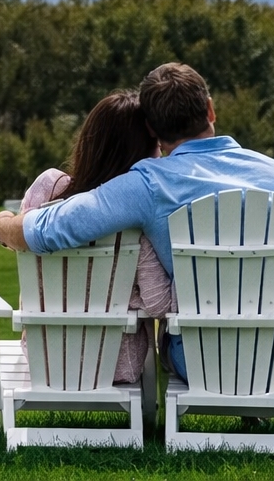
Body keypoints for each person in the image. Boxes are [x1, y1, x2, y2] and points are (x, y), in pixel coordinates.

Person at [0, 62, 274, 387]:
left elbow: (50, 228)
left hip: (203, 364)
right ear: (210, 110)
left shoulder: (147, 186)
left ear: (152, 130)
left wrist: (2, 226)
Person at [17, 90, 173, 383]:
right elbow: (158, 303)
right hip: (116, 365)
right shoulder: (137, 216)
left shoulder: (48, 188)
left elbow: (20, 246)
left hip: (45, 357)